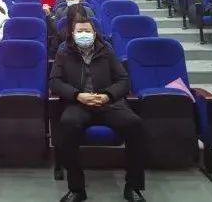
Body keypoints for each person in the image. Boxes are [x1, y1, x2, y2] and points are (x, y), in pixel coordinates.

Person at [51, 16, 146, 202]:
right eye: (80, 31)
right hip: (79, 103)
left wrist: (107, 95)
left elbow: (123, 80)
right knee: (67, 125)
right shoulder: (64, 51)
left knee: (135, 124)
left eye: (87, 31)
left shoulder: (106, 50)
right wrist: (77, 95)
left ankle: (133, 186)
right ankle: (76, 188)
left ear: (94, 34)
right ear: (72, 34)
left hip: (108, 103)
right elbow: (55, 81)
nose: (84, 34)